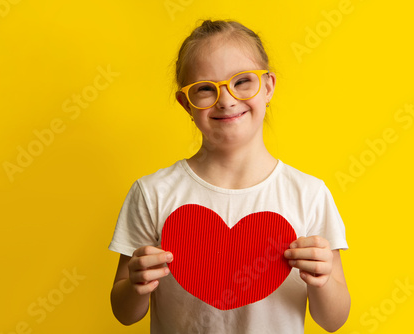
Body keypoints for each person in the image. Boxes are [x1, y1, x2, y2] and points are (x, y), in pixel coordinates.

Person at [109, 19, 350, 333]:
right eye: (205, 89)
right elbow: (124, 312)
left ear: (268, 87)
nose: (226, 99)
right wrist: (136, 284)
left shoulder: (308, 194)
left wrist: (321, 281)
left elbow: (333, 320)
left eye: (242, 81)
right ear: (186, 104)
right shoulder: (152, 193)